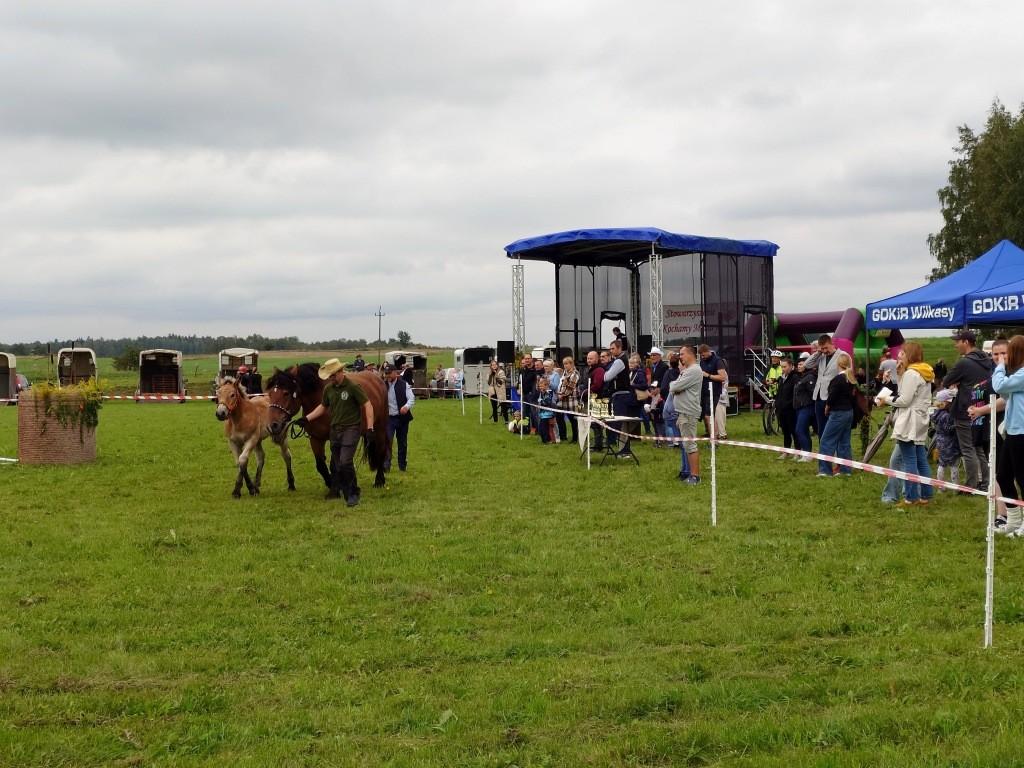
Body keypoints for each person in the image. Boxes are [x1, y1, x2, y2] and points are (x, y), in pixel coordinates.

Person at [304, 358, 374, 506]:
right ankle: (350, 489)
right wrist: (307, 419)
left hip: (351, 428)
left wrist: (370, 427)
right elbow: (322, 407)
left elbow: (367, 405)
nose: (331, 378)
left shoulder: (353, 386)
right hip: (335, 429)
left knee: (345, 462)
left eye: (333, 375)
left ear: (341, 371)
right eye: (329, 376)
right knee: (338, 464)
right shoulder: (328, 389)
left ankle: (353, 492)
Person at [942, 329, 993, 491]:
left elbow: (946, 381)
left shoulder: (964, 362)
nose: (955, 345)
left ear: (966, 342)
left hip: (965, 409)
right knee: (979, 448)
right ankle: (986, 483)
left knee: (968, 449)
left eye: (957, 342)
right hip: (981, 407)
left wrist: (958, 382)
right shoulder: (987, 360)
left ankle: (970, 486)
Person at [885, 342, 934, 505]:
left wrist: (885, 399)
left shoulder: (912, 373)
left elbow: (904, 400)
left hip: (910, 420)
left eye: (902, 353)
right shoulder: (923, 371)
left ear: (909, 355)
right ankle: (926, 496)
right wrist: (900, 375)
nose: (899, 356)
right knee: (921, 460)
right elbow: (909, 393)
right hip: (920, 419)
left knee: (910, 460)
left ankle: (911, 498)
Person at [991, 335, 1024, 536]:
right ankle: (1013, 520)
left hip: (1022, 432)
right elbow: (1006, 394)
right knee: (1003, 476)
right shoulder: (1018, 374)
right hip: (1012, 431)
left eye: (1007, 352)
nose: (1003, 357)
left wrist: (1001, 366)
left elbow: (999, 387)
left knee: (1022, 478)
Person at [816, 352, 856, 478]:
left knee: (826, 440)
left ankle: (825, 470)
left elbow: (832, 397)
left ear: (838, 365)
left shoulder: (838, 379)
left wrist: (827, 407)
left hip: (838, 413)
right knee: (844, 441)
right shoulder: (851, 379)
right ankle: (846, 470)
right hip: (848, 412)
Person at [669, 345, 704, 484]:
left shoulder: (694, 370)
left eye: (682, 354)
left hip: (688, 412)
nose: (680, 357)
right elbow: (675, 388)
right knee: (687, 444)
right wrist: (676, 387)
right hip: (683, 412)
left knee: (690, 445)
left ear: (690, 354)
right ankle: (689, 473)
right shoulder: (687, 370)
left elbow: (674, 386)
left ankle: (695, 476)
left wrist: (676, 386)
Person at [803, 334, 843, 444]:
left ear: (832, 343)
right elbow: (807, 365)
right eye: (822, 348)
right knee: (821, 427)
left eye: (826, 348)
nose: (825, 351)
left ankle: (834, 451)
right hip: (819, 396)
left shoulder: (842, 355)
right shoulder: (821, 356)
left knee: (832, 428)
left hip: (833, 397)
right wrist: (818, 352)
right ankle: (823, 451)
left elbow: (846, 375)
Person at [382, 362, 414, 472]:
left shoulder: (404, 384)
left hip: (402, 418)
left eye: (389, 373)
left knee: (402, 443)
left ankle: (402, 465)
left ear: (395, 373)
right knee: (387, 441)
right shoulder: (382, 385)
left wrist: (406, 407)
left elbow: (411, 398)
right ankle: (386, 465)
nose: (387, 376)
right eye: (386, 373)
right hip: (389, 419)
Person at [603, 339, 631, 449]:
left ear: (619, 348)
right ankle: (623, 449)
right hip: (621, 394)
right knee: (620, 423)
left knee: (620, 423)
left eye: (613, 348)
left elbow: (607, 377)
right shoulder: (621, 359)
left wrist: (603, 373)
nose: (611, 351)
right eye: (610, 348)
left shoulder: (619, 361)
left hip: (621, 395)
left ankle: (624, 450)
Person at [931, 388, 961, 491]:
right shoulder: (947, 416)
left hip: (940, 441)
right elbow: (948, 429)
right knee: (954, 465)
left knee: (941, 464)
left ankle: (941, 486)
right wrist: (956, 426)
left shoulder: (937, 413)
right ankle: (956, 486)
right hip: (949, 443)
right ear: (947, 402)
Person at [697, 344, 727, 438]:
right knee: (705, 415)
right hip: (704, 392)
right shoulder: (702, 362)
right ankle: (711, 434)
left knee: (708, 415)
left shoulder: (718, 361)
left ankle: (714, 439)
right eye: (701, 355)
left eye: (703, 355)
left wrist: (708, 375)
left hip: (714, 392)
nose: (702, 357)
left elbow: (723, 377)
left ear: (708, 351)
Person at [793, 353, 816, 462]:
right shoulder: (801, 377)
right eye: (798, 364)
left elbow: (813, 393)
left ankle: (807, 454)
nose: (799, 366)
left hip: (807, 407)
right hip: (799, 408)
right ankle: (807, 453)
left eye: (801, 364)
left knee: (800, 430)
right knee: (804, 431)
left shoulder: (810, 377)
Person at [583, 350, 606, 450]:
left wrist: (586, 391)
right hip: (590, 398)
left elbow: (597, 385)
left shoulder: (599, 370)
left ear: (597, 359)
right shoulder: (590, 369)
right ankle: (598, 444)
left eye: (591, 358)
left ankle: (598, 445)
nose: (589, 360)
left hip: (597, 399)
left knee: (596, 423)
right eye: (588, 358)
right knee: (593, 423)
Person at [776, 357, 798, 458]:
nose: (783, 369)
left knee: (794, 431)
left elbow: (795, 395)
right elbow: (779, 393)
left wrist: (788, 404)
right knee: (785, 431)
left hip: (791, 410)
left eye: (785, 367)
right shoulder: (781, 378)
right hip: (781, 410)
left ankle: (798, 452)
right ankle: (786, 451)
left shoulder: (795, 378)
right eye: (782, 367)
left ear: (791, 366)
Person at [557, 356, 580, 444]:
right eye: (564, 364)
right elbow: (561, 385)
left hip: (571, 400)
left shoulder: (575, 374)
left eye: (567, 364)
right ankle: (563, 436)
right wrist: (560, 394)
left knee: (573, 420)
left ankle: (575, 438)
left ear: (571, 364)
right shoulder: (565, 373)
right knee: (560, 417)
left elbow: (570, 387)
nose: (565, 365)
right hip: (562, 400)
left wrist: (562, 395)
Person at [519, 354, 538, 434]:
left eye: (528, 358)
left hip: (532, 395)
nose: (527, 360)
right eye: (525, 359)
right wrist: (519, 388)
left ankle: (536, 429)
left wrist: (533, 393)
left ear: (531, 359)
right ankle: (526, 429)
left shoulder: (535, 369)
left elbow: (536, 382)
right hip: (524, 394)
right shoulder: (523, 369)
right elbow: (520, 381)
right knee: (525, 413)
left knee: (534, 413)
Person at [536, 376, 557, 444]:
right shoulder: (542, 392)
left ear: (546, 385)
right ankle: (544, 440)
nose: (540, 388)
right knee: (541, 428)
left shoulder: (550, 392)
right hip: (542, 414)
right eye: (540, 386)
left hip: (548, 414)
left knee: (545, 428)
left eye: (542, 386)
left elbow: (547, 402)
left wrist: (541, 401)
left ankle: (547, 440)